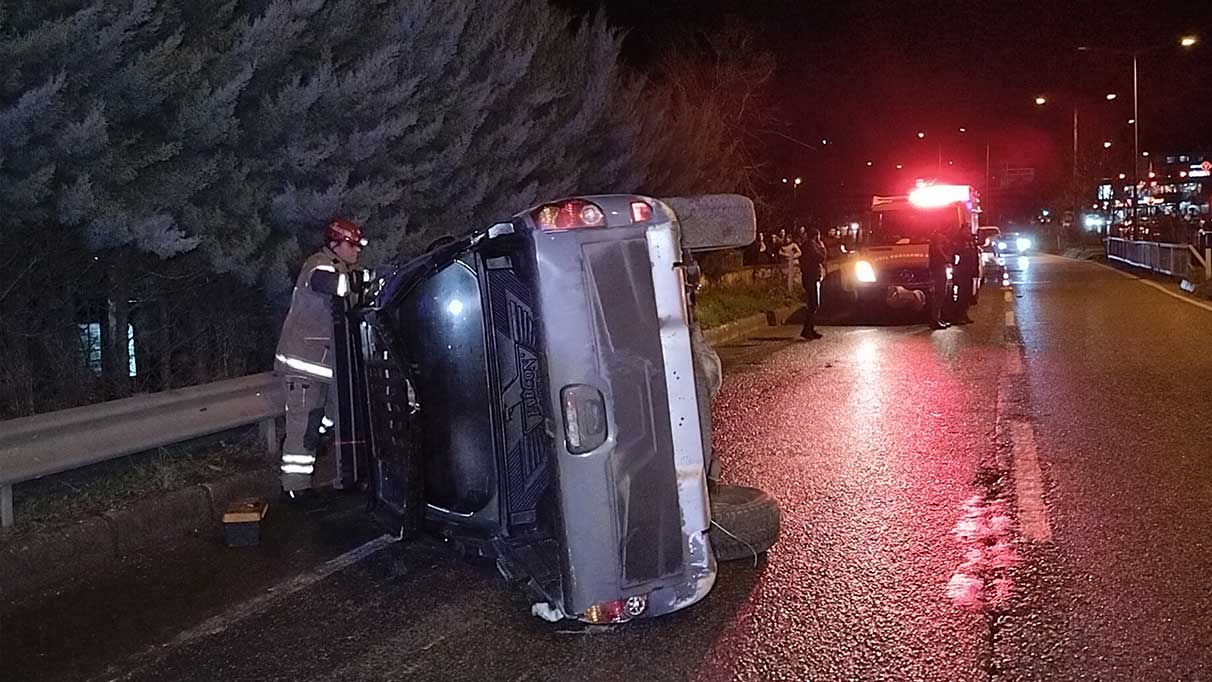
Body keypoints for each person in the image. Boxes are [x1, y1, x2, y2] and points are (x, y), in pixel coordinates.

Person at [274, 218, 367, 497]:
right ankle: (295, 489)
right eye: (353, 245)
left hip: (327, 368)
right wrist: (369, 278)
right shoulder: (318, 265)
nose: (357, 251)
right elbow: (336, 286)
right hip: (303, 367)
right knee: (304, 427)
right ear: (335, 243)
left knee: (333, 417)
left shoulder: (343, 268)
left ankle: (314, 440)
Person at [798, 228, 828, 340]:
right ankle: (807, 330)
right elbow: (821, 257)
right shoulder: (811, 246)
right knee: (814, 304)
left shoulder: (808, 245)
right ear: (816, 236)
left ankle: (810, 329)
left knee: (813, 304)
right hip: (810, 277)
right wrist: (822, 247)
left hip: (810, 277)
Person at [951, 231, 980, 324]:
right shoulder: (958, 242)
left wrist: (976, 270)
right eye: (965, 230)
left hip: (970, 271)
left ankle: (964, 314)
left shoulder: (971, 242)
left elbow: (975, 256)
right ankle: (957, 316)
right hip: (962, 272)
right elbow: (955, 256)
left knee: (968, 295)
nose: (967, 232)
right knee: (961, 295)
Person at [927, 229, 952, 330]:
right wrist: (947, 258)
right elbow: (944, 257)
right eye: (941, 237)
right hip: (938, 271)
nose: (943, 238)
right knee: (939, 295)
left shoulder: (936, 246)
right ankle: (935, 320)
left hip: (940, 270)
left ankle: (938, 318)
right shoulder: (936, 247)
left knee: (941, 295)